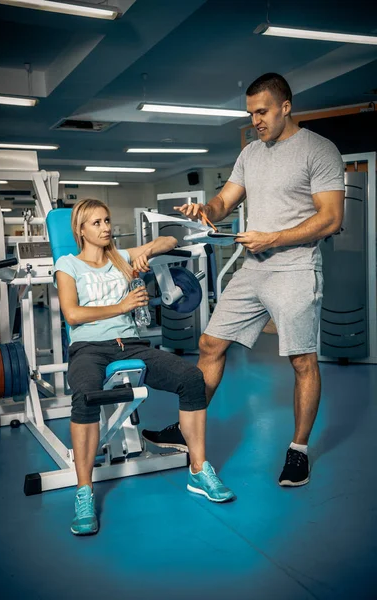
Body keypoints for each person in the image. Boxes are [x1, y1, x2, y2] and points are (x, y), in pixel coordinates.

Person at [142, 72, 345, 488]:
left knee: (302, 360)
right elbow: (223, 200)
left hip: (295, 268)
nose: (255, 120)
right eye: (251, 112)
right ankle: (186, 430)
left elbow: (331, 217)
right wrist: (205, 211)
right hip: (253, 268)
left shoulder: (319, 150)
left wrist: (273, 236)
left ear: (285, 107)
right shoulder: (251, 154)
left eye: (262, 111)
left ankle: (299, 450)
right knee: (210, 343)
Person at [54, 198, 234, 536]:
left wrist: (146, 251)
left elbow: (171, 241)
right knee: (85, 395)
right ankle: (84, 491)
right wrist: (121, 305)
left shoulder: (120, 258)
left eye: (107, 220)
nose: (106, 227)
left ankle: (199, 470)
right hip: (90, 348)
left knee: (192, 378)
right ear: (80, 229)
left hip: (131, 343)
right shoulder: (68, 265)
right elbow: (73, 314)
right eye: (97, 223)